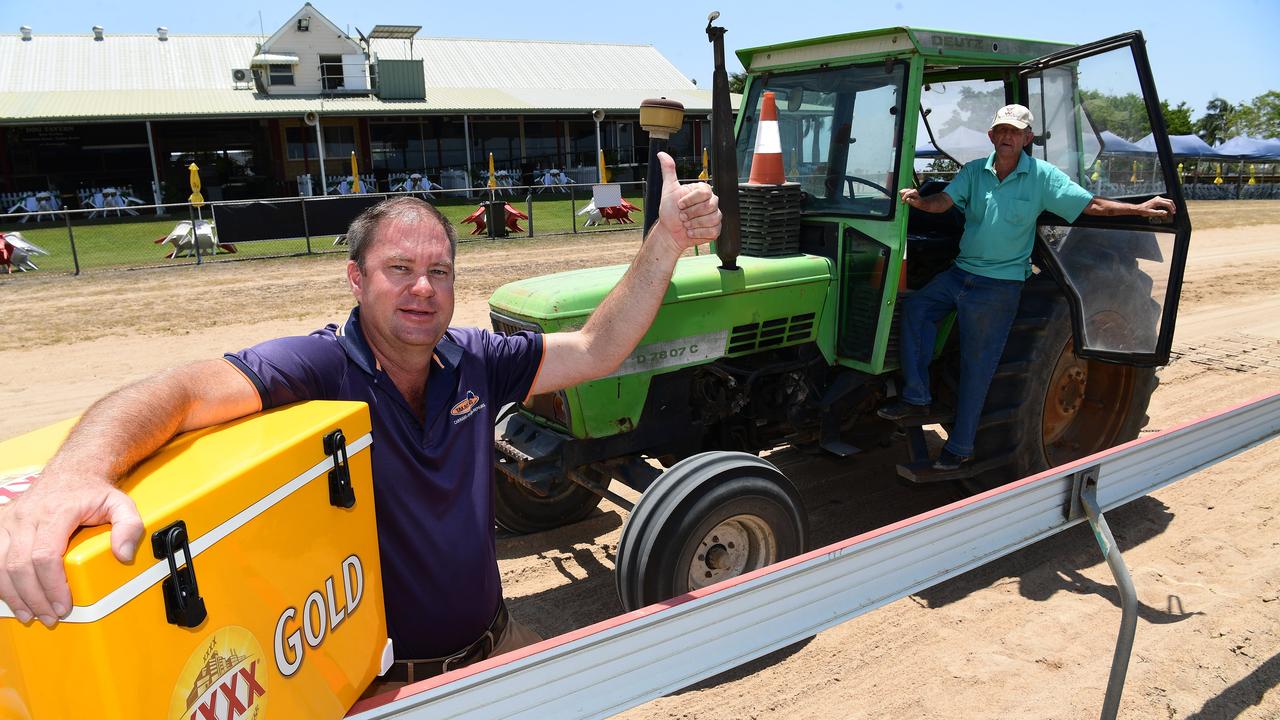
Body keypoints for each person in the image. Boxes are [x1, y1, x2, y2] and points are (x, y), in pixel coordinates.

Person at [0, 151, 720, 691]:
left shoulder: (474, 358)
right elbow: (181, 390)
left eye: (440, 272)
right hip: (382, 687)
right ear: (357, 278)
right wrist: (72, 476)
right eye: (399, 268)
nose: (423, 289)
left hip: (495, 645)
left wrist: (662, 244)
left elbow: (597, 348)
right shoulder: (316, 371)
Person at [878, 104, 1175, 472]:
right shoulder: (974, 172)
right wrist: (921, 201)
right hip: (961, 274)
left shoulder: (1041, 178)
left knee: (977, 366)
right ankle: (917, 396)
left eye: (1015, 132)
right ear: (991, 136)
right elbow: (945, 202)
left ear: (1027, 138)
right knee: (917, 308)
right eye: (1001, 131)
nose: (1006, 137)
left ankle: (960, 448)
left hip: (999, 285)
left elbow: (1092, 205)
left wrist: (1141, 209)